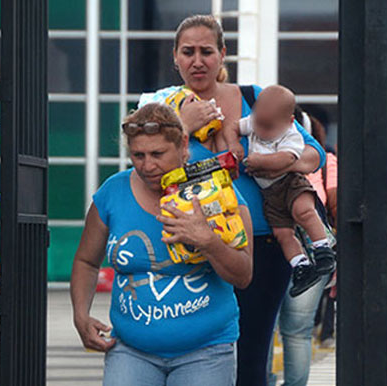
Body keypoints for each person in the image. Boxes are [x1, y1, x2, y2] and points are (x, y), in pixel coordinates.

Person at [139, 14, 326, 385]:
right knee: (194, 357)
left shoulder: (255, 98)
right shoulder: (158, 105)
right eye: (188, 52)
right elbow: (143, 165)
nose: (198, 61)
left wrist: (278, 161)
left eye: (207, 51)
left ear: (223, 54)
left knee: (251, 358)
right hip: (189, 248)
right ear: (175, 57)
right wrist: (182, 123)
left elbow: (314, 154)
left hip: (261, 245)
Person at [70, 103, 254, 386]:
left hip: (206, 352)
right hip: (131, 351)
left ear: (182, 144)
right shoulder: (112, 193)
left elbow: (243, 275)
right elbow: (86, 261)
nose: (147, 165)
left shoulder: (217, 192)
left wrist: (207, 241)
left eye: (157, 154)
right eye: (138, 155)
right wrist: (80, 315)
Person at [238, 85, 336, 297]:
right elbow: (235, 128)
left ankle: (323, 250)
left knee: (304, 212)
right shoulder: (256, 122)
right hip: (270, 195)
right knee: (282, 233)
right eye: (258, 123)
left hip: (289, 184)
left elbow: (288, 158)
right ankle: (300, 266)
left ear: (289, 122)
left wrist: (260, 161)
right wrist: (231, 142)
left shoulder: (291, 135)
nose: (261, 131)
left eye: (268, 127)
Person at [266, 109, 338, 386]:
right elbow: (334, 204)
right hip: (312, 246)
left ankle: (267, 380)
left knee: (265, 327)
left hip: (274, 244)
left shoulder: (262, 161)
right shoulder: (323, 161)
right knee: (297, 331)